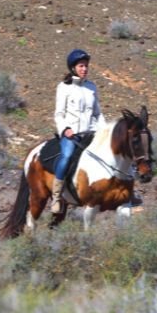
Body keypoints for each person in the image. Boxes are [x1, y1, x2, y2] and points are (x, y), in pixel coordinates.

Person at [51, 49, 105, 213]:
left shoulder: (91, 87)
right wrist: (65, 129)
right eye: (81, 66)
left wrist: (104, 130)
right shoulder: (64, 87)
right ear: (73, 68)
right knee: (66, 156)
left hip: (90, 133)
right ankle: (56, 197)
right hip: (72, 135)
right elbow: (59, 114)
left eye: (86, 66)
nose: (85, 69)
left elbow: (97, 113)